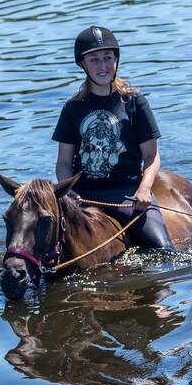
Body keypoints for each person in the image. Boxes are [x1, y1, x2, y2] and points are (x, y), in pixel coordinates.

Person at [51, 26, 175, 249]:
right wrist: (68, 192)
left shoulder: (135, 103)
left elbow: (151, 156)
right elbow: (63, 163)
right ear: (82, 64)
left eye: (108, 58)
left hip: (127, 195)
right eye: (94, 59)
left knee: (163, 249)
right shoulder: (72, 108)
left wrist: (144, 189)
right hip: (83, 197)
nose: (103, 66)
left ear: (116, 60)